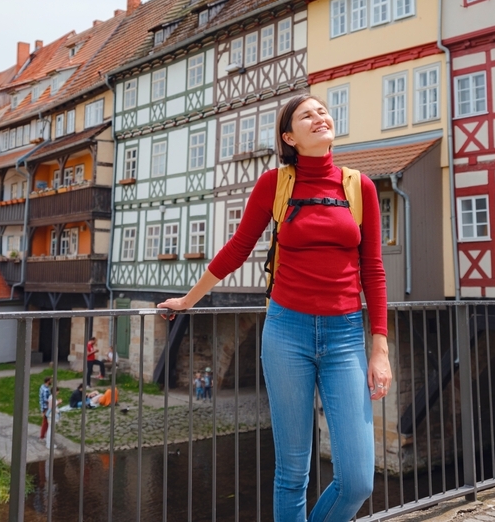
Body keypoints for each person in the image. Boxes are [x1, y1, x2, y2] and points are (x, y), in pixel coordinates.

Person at [159, 95, 391, 522]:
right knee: (292, 472)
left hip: (344, 337)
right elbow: (237, 248)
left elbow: (372, 270)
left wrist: (380, 348)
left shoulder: (361, 187)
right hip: (287, 332)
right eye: (307, 115)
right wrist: (189, 300)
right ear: (290, 137)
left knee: (358, 479)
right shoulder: (275, 184)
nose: (320, 117)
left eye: (322, 111)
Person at [39, 376, 52, 442]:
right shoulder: (45, 390)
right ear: (48, 381)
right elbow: (45, 399)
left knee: (46, 422)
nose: (51, 381)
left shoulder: (42, 387)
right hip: (45, 407)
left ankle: (43, 435)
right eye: (50, 380)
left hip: (44, 407)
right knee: (45, 422)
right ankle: (42, 436)